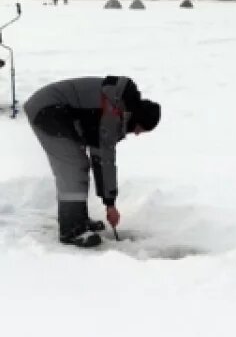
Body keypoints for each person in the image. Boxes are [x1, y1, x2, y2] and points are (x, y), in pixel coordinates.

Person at [24, 76, 161, 248]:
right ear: (137, 119)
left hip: (56, 109)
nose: (137, 133)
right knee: (72, 167)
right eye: (140, 129)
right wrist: (110, 204)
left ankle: (78, 219)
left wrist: (109, 201)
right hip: (47, 110)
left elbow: (101, 157)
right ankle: (71, 230)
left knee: (78, 164)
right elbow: (104, 160)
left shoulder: (117, 104)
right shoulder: (112, 112)